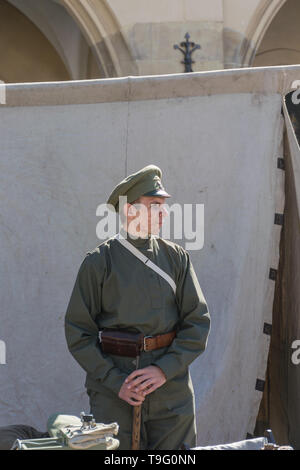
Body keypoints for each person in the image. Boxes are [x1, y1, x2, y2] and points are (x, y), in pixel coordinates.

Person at [64, 164, 210, 450]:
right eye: (155, 205)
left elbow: (197, 322)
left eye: (164, 206)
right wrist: (116, 381)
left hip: (170, 392)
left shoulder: (176, 258)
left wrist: (164, 370)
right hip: (116, 392)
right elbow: (78, 333)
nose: (164, 213)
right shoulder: (98, 263)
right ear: (130, 210)